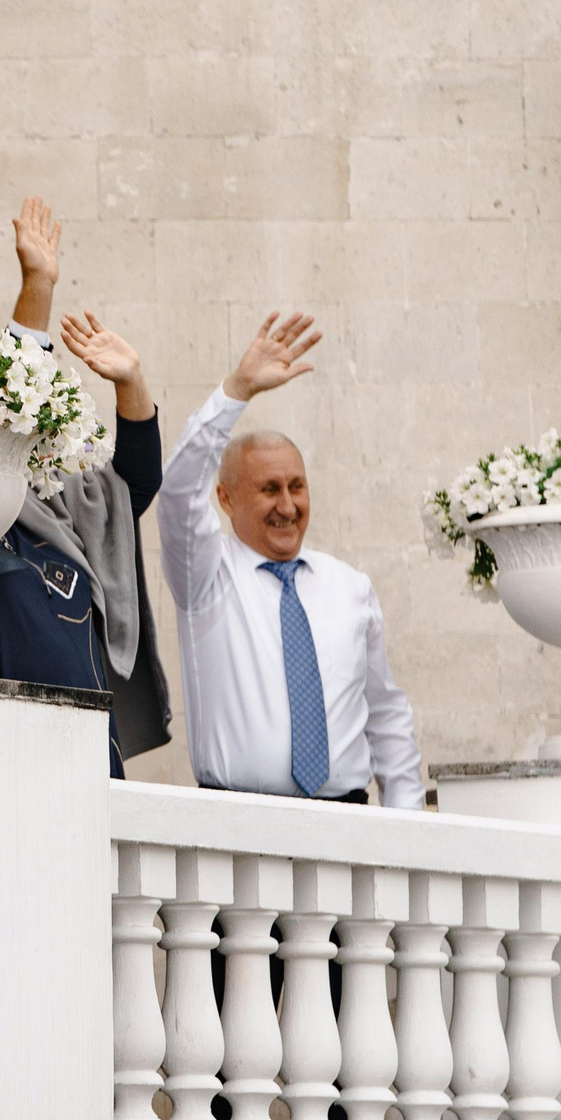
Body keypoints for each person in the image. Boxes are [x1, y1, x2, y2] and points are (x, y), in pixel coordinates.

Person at [0, 199, 172, 773]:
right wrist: (35, 288)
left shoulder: (61, 504)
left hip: (88, 767)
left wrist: (131, 383)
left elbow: (133, 483)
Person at [158, 311, 423, 808]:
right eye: (269, 489)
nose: (288, 505)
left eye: (296, 486)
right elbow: (176, 490)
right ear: (226, 499)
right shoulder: (206, 577)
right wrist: (236, 391)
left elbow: (385, 713)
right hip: (238, 825)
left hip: (349, 821)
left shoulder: (349, 586)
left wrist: (405, 821)